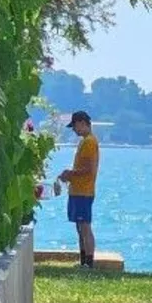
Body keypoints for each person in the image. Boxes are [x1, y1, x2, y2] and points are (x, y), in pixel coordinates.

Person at [58, 110, 100, 268]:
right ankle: (83, 259)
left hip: (84, 191)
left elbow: (89, 169)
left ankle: (89, 262)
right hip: (77, 190)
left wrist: (70, 174)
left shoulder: (90, 142)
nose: (74, 130)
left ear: (82, 123)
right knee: (79, 227)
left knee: (85, 226)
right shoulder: (85, 141)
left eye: (75, 126)